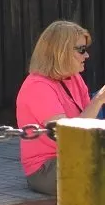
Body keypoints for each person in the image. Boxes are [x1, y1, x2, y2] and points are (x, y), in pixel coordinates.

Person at [15, 20, 105, 195]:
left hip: (78, 157)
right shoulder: (38, 86)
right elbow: (68, 135)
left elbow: (89, 128)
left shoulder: (74, 78)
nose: (87, 55)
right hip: (47, 167)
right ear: (60, 52)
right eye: (81, 50)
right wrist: (99, 100)